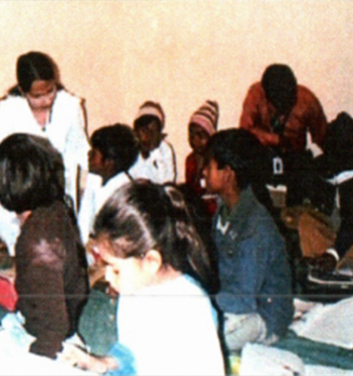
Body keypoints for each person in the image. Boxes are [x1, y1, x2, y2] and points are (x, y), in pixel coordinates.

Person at [0, 134, 89, 374]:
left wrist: (26, 362)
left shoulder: (35, 240)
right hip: (50, 329)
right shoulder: (57, 208)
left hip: (53, 348)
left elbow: (53, 329)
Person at [60, 181, 224, 376]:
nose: (108, 277)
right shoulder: (134, 289)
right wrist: (98, 363)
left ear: (151, 261)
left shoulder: (192, 309)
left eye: (116, 269)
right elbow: (132, 355)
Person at [0, 51, 89, 255]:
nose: (46, 100)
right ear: (23, 91)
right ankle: (18, 247)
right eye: (37, 96)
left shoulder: (69, 106)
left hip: (57, 188)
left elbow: (78, 153)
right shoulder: (8, 111)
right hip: (22, 186)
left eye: (51, 91)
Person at [203, 129, 293, 352]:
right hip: (235, 304)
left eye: (209, 166)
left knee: (199, 344)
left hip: (262, 316)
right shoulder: (224, 210)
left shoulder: (255, 225)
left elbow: (243, 299)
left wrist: (203, 300)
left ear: (228, 174)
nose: (203, 171)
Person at [239, 63, 327, 207]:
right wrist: (276, 140)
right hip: (263, 155)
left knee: (307, 172)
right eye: (276, 105)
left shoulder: (307, 101)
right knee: (246, 169)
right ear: (266, 96)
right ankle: (265, 214)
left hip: (293, 157)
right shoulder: (256, 94)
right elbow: (243, 133)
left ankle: (295, 215)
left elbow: (323, 138)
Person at [78, 124, 139, 246]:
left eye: (94, 153)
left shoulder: (123, 193)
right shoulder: (93, 178)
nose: (88, 155)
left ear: (109, 163)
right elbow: (83, 219)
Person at [309, 112, 353, 273]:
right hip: (337, 234)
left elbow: (350, 223)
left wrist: (334, 254)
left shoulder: (348, 180)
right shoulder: (329, 169)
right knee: (305, 220)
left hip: (345, 241)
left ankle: (330, 263)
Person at [184, 99, 219, 216]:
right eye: (191, 134)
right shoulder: (190, 160)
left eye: (200, 135)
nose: (195, 140)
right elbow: (190, 191)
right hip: (196, 212)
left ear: (211, 136)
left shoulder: (216, 161)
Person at [128, 101, 176, 184]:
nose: (148, 136)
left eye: (153, 132)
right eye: (144, 130)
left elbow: (168, 181)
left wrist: (153, 154)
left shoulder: (164, 149)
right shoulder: (130, 150)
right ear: (136, 132)